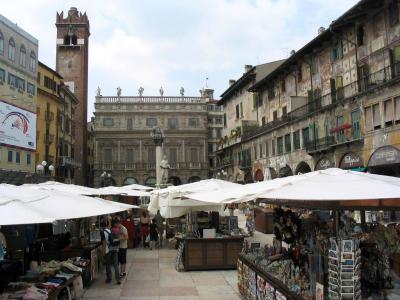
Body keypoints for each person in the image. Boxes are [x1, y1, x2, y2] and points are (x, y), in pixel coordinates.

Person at [100, 219, 121, 284]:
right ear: (106, 225)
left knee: (108, 264)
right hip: (115, 249)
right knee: (116, 265)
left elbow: (104, 243)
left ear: (101, 226)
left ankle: (109, 278)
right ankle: (118, 279)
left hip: (108, 250)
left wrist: (103, 252)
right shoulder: (110, 230)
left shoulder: (102, 232)